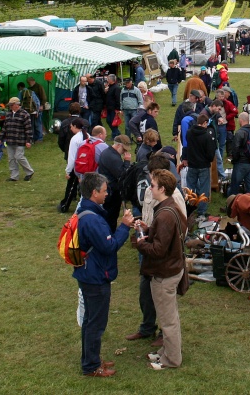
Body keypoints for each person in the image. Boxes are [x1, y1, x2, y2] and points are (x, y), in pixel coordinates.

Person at [73, 173, 136, 378]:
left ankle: (91, 359)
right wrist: (124, 226)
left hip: (88, 272)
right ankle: (91, 366)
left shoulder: (86, 212)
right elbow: (109, 246)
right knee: (96, 323)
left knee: (90, 320)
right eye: (104, 190)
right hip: (95, 276)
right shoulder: (93, 220)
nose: (107, 194)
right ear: (94, 193)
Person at [127, 154, 187, 348]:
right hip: (150, 247)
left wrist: (149, 241)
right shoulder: (150, 191)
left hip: (162, 256)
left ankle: (164, 334)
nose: (149, 179)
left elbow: (180, 227)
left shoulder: (174, 197)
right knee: (146, 292)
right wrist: (146, 228)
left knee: (164, 299)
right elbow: (150, 215)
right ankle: (147, 327)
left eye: (152, 176)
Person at [182, 113, 216, 220]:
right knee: (204, 189)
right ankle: (201, 211)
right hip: (203, 166)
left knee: (190, 188)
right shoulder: (207, 136)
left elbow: (186, 146)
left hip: (192, 165)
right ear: (204, 123)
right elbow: (210, 154)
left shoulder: (189, 133)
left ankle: (191, 208)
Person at [98, 135, 132, 232]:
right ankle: (110, 235)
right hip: (112, 192)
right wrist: (127, 162)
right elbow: (122, 175)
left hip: (108, 189)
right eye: (124, 149)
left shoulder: (107, 153)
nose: (125, 152)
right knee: (111, 218)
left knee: (109, 216)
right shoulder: (113, 158)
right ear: (118, 145)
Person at [59, 117, 89, 212]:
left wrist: (68, 171)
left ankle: (65, 205)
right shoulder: (87, 135)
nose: (70, 128)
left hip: (77, 166)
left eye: (71, 126)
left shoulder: (75, 139)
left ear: (75, 126)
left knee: (71, 186)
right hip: (87, 165)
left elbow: (72, 157)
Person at [2, 97, 34, 182]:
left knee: (19, 157)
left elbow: (28, 129)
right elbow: (5, 127)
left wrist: (28, 141)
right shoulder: (8, 114)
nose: (10, 106)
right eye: (10, 105)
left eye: (11, 105)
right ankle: (14, 176)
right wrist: (1, 137)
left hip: (20, 140)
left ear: (17, 105)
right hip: (10, 140)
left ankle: (29, 172)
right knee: (11, 159)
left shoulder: (25, 114)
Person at [228, 112, 250, 195]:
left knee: (234, 187)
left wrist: (234, 160)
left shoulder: (240, 133)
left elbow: (235, 149)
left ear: (241, 120)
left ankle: (233, 202)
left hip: (241, 163)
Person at [26, 76, 47, 141]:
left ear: (32, 81)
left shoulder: (39, 87)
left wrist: (42, 105)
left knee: (38, 123)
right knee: (32, 124)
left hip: (38, 107)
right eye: (27, 82)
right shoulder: (29, 88)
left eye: (29, 82)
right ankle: (34, 137)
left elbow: (43, 97)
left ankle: (39, 138)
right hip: (32, 109)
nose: (28, 83)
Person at [104, 74, 122, 138]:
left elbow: (118, 99)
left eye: (108, 79)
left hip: (114, 108)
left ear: (112, 80)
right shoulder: (109, 87)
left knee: (113, 122)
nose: (107, 80)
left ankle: (115, 135)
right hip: (108, 108)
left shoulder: (116, 88)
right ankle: (117, 133)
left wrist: (118, 109)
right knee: (108, 120)